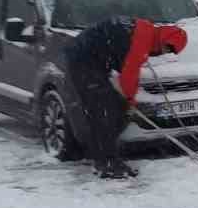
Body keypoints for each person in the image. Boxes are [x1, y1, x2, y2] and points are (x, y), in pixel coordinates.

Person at [65, 15, 188, 178]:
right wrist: (131, 101)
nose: (166, 52)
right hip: (83, 61)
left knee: (114, 108)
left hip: (90, 59)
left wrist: (127, 102)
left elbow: (126, 64)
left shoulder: (146, 32)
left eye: (171, 51)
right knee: (105, 111)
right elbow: (129, 76)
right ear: (164, 38)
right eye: (168, 47)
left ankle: (101, 154)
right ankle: (107, 163)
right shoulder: (142, 39)